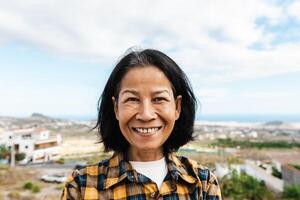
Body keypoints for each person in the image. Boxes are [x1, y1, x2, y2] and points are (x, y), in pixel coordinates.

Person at [61, 49, 222, 199]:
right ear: (116, 108)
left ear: (177, 107)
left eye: (159, 99)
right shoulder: (81, 187)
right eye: (132, 99)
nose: (146, 114)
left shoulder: (203, 183)